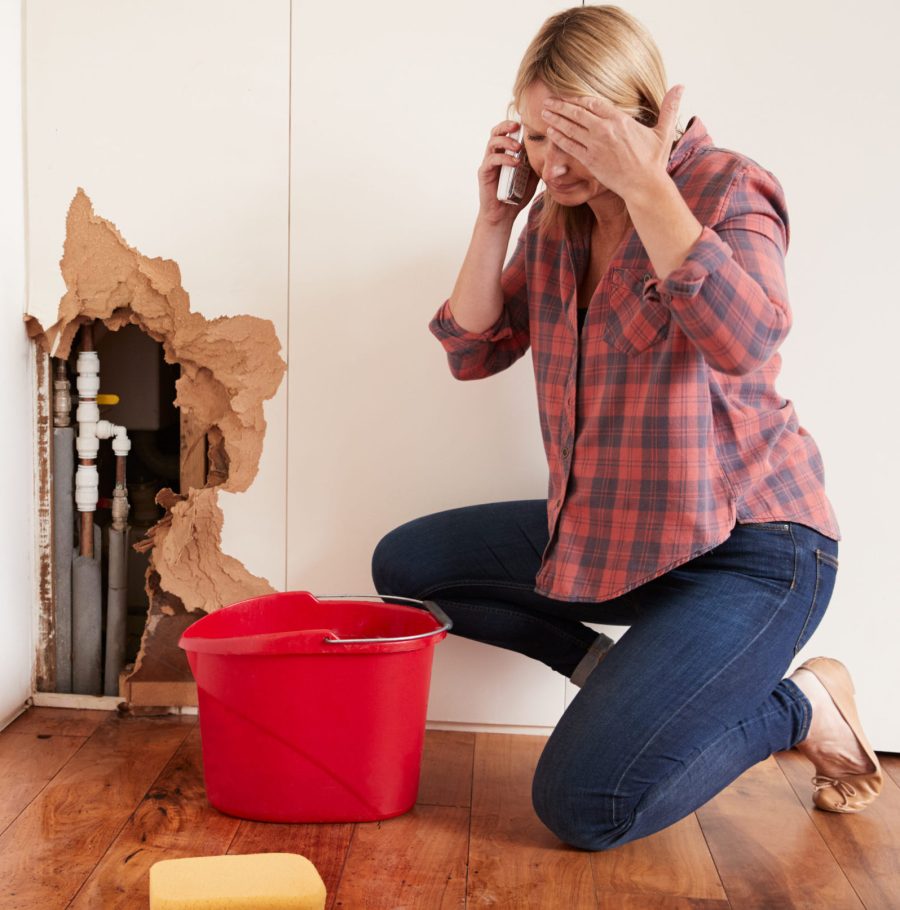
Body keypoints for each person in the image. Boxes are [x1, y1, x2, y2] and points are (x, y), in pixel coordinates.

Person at [371, 5, 882, 851]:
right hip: (624, 534)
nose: (558, 162)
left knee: (585, 807)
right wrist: (496, 216)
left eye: (581, 133)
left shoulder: (726, 185)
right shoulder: (553, 219)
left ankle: (804, 706)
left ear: (643, 116)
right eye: (539, 136)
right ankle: (616, 676)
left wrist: (649, 186)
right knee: (412, 567)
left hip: (756, 551)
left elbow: (748, 337)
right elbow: (471, 350)